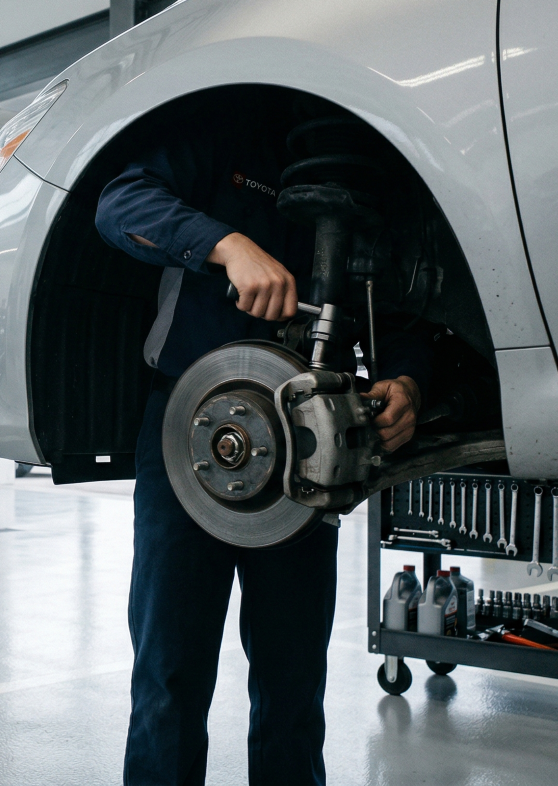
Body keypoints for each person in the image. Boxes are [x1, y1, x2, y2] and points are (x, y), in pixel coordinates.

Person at [94, 93, 433, 786]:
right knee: (168, 678)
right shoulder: (222, 129)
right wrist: (226, 244)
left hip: (314, 449)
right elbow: (117, 203)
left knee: (291, 686)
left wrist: (406, 381)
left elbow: (393, 304)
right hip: (187, 437)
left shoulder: (373, 166)